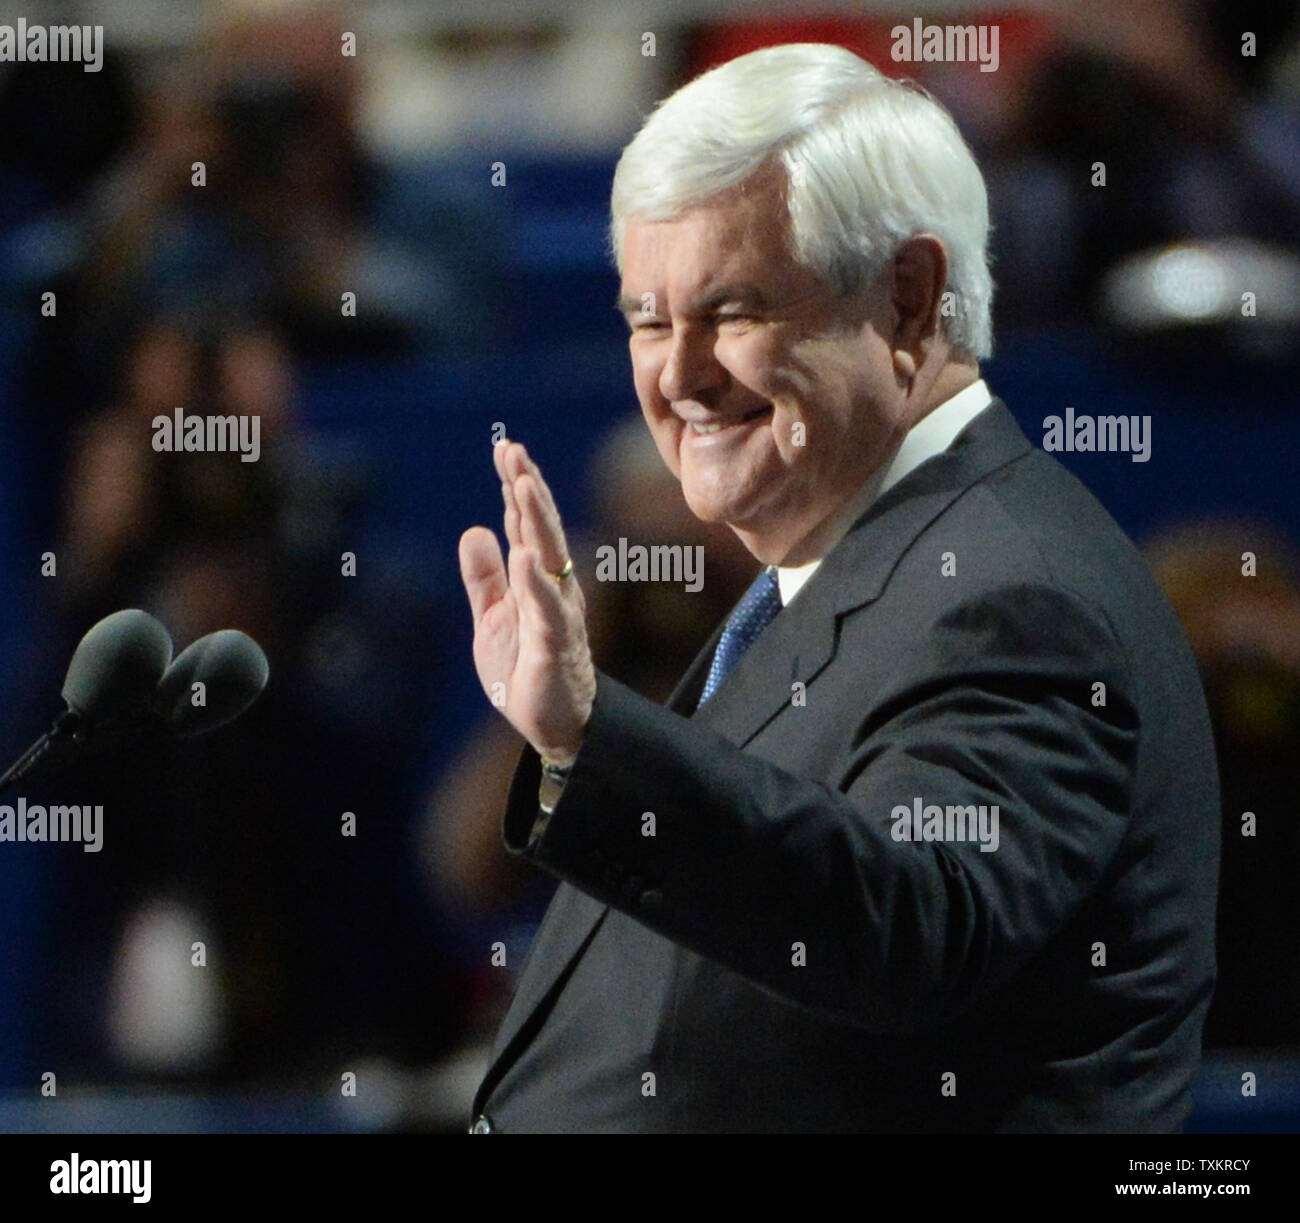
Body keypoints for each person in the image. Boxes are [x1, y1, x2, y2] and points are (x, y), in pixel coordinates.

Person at [457, 43, 1219, 1133]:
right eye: (648, 319)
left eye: (730, 310)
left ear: (909, 300)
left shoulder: (1010, 594)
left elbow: (908, 921)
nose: (677, 376)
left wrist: (591, 739)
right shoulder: (844, 569)